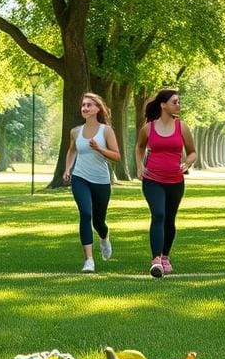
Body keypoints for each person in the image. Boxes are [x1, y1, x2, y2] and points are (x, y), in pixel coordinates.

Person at [135, 88, 197, 278]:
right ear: (163, 104)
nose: (178, 105)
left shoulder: (182, 127)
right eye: (175, 102)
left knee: (169, 219)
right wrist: (139, 166)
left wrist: (188, 161)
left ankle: (165, 256)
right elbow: (139, 147)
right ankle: (155, 260)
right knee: (159, 215)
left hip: (175, 181)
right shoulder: (149, 128)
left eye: (178, 102)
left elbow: (193, 151)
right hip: (152, 179)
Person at [62, 93, 122, 272]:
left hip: (101, 181)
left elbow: (117, 156)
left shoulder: (106, 131)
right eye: (83, 105)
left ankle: (104, 238)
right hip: (80, 178)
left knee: (98, 222)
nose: (85, 108)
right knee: (85, 214)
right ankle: (89, 260)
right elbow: (72, 150)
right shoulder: (75, 131)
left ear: (97, 109)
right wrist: (67, 169)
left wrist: (99, 148)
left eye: (89, 105)